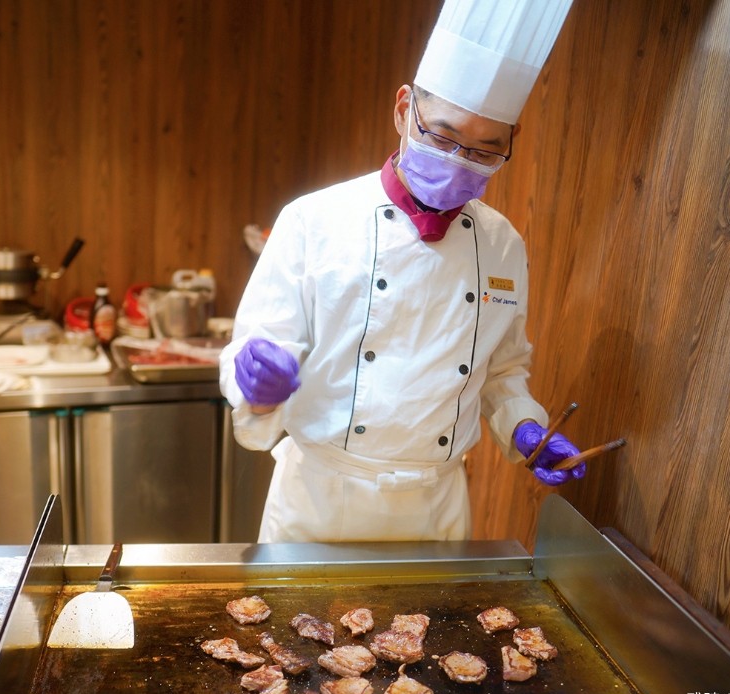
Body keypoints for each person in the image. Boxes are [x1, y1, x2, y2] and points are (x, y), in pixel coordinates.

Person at [220, 0, 581, 543]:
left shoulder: (503, 244)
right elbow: (261, 350)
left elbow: (502, 371)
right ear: (403, 109)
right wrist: (258, 382)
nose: (460, 160)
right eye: (441, 136)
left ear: (511, 141)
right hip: (319, 504)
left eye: (486, 150)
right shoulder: (313, 221)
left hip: (437, 510)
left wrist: (526, 427)